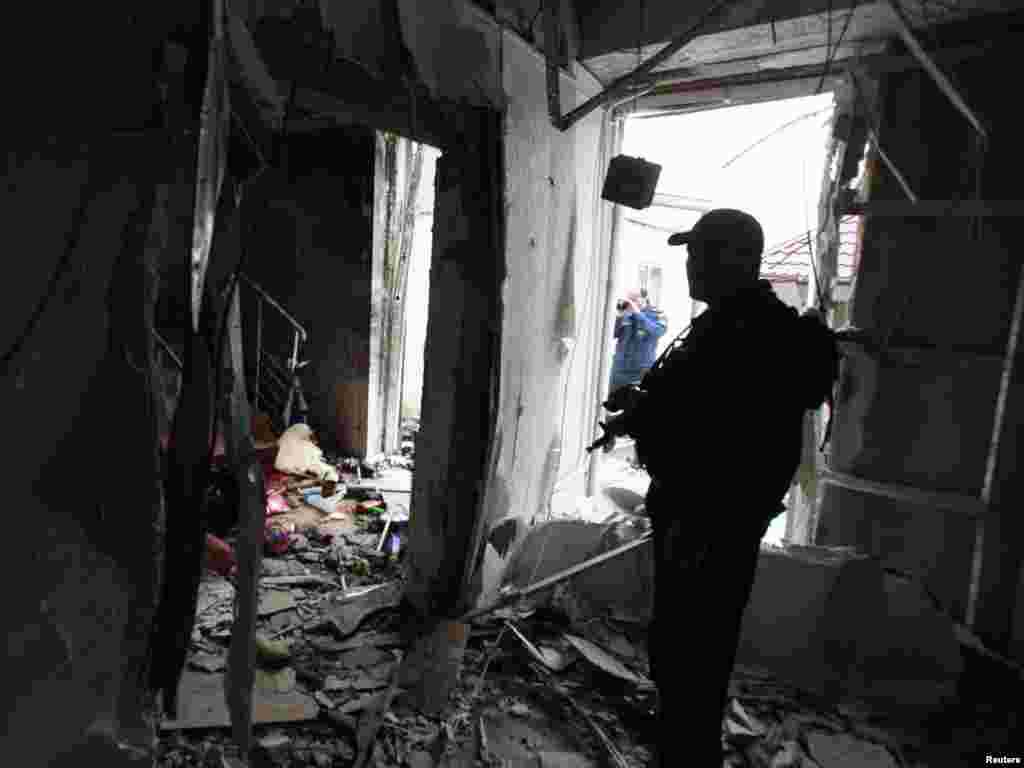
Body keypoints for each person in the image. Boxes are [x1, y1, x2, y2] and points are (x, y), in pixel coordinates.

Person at [599, 209, 839, 766]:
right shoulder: (733, 324)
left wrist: (644, 411)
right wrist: (642, 406)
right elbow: (696, 411)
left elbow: (710, 426)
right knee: (689, 648)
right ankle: (683, 743)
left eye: (701, 255)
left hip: (709, 518)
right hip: (706, 513)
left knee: (692, 653)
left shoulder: (745, 333)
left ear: (738, 261)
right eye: (690, 255)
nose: (690, 266)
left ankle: (688, 753)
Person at [609, 288, 667, 396]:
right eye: (629, 299)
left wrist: (638, 314)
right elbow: (612, 334)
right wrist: (619, 316)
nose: (631, 302)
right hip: (620, 368)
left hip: (641, 371)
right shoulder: (626, 314)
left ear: (644, 298)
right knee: (612, 402)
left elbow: (658, 331)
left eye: (634, 299)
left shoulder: (657, 314)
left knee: (637, 405)